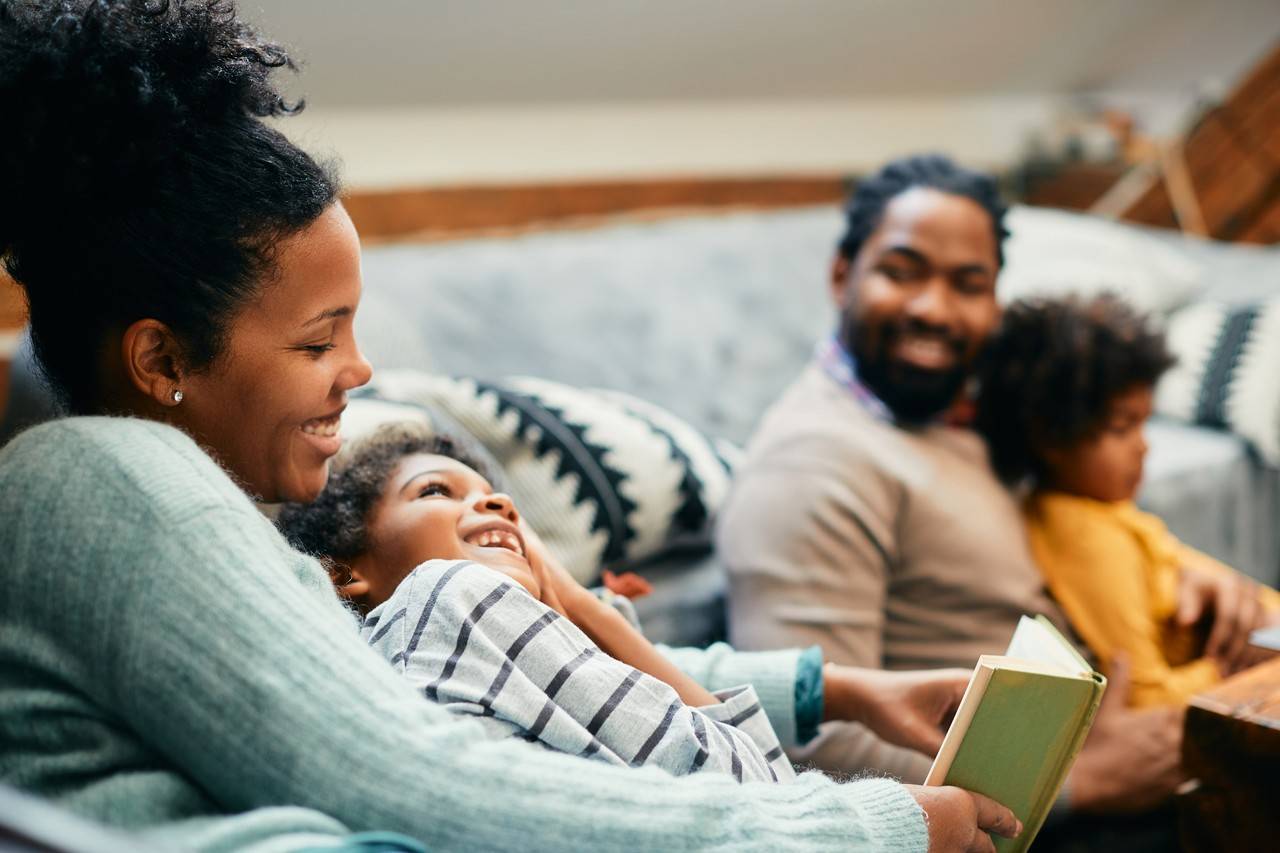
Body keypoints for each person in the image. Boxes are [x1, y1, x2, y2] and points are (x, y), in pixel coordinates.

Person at [0, 4, 1018, 851]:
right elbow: (419, 778)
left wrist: (837, 691)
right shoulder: (108, 485)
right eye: (318, 343)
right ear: (163, 360)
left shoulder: (202, 510)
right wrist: (862, 828)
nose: (358, 372)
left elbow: (439, 665)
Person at [717, 154, 1277, 821]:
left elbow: (1071, 520)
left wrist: (1192, 574)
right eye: (902, 272)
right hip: (1043, 821)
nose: (933, 308)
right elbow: (802, 742)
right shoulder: (813, 465)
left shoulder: (965, 414)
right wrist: (1078, 785)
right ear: (843, 275)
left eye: (967, 283)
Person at [278, 423, 794, 783]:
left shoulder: (403, 655)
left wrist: (571, 603)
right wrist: (574, 599)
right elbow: (757, 783)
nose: (499, 505)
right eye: (435, 491)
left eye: (496, 498)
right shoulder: (452, 594)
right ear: (344, 573)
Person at [976, 294, 1280, 708]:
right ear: (1049, 436)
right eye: (1122, 428)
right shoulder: (1083, 535)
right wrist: (1234, 663)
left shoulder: (1104, 507)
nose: (1143, 447)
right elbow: (1144, 696)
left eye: (1144, 423)